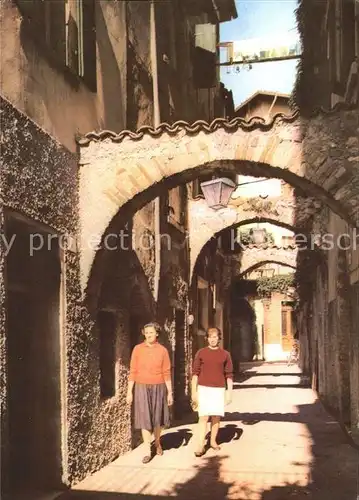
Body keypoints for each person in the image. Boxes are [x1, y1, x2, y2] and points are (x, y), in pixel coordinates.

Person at [126, 322, 173, 463]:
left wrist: (170, 392)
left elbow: (166, 372)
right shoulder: (137, 349)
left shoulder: (163, 350)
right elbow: (133, 370)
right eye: (146, 333)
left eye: (151, 332)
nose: (148, 335)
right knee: (145, 419)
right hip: (141, 386)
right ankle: (147, 449)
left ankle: (157, 442)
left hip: (159, 386)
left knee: (157, 418)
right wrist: (130, 392)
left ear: (157, 333)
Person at [191, 327, 233, 457]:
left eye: (215, 337)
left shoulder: (225, 354)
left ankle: (213, 441)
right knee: (203, 417)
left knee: (216, 416)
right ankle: (200, 444)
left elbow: (229, 375)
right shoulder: (201, 353)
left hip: (219, 389)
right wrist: (194, 392)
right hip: (203, 389)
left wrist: (229, 393)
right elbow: (195, 374)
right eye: (210, 337)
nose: (213, 339)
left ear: (219, 338)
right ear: (207, 338)